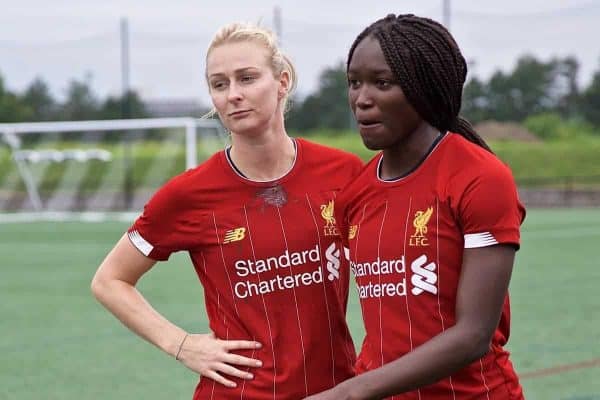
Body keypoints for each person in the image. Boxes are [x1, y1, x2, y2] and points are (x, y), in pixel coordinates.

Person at [91, 22, 361, 399]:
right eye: (220, 84)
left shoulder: (344, 173)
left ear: (282, 82)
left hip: (336, 388)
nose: (234, 94)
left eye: (247, 78)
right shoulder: (188, 194)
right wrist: (182, 344)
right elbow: (109, 281)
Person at [304, 13, 526, 400]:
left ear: (424, 87)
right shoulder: (356, 192)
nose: (362, 98)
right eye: (354, 83)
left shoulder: (479, 178)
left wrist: (349, 392)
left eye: (382, 83)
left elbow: (473, 335)